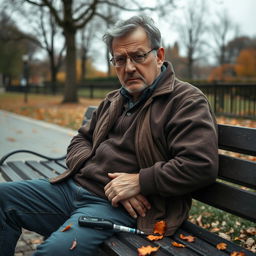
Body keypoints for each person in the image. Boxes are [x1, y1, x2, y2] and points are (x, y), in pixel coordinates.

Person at [0, 15, 218, 255]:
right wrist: (112, 183)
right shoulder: (114, 99)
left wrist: (139, 182)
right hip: (71, 189)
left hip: (110, 207)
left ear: (159, 56)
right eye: (120, 59)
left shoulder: (185, 100)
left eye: (138, 56)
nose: (130, 68)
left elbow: (200, 165)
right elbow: (79, 141)